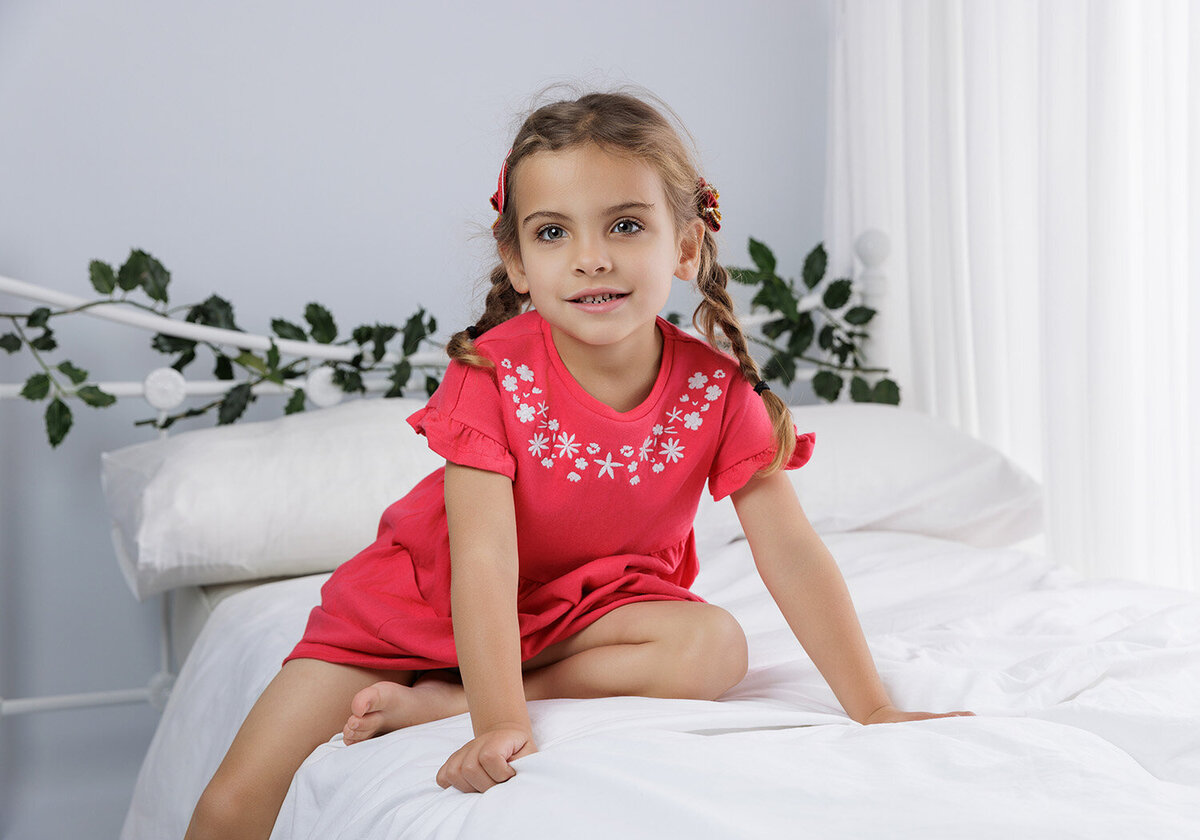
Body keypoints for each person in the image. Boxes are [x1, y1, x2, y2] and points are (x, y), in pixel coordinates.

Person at [184, 87, 972, 840]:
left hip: (585, 622)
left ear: (685, 246)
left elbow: (792, 554)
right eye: (554, 233)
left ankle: (443, 703)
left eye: (625, 226)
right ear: (518, 262)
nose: (591, 258)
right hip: (417, 613)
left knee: (716, 647)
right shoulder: (491, 373)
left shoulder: (719, 392)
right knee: (233, 804)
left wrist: (871, 707)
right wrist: (501, 724)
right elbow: (483, 561)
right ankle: (468, 690)